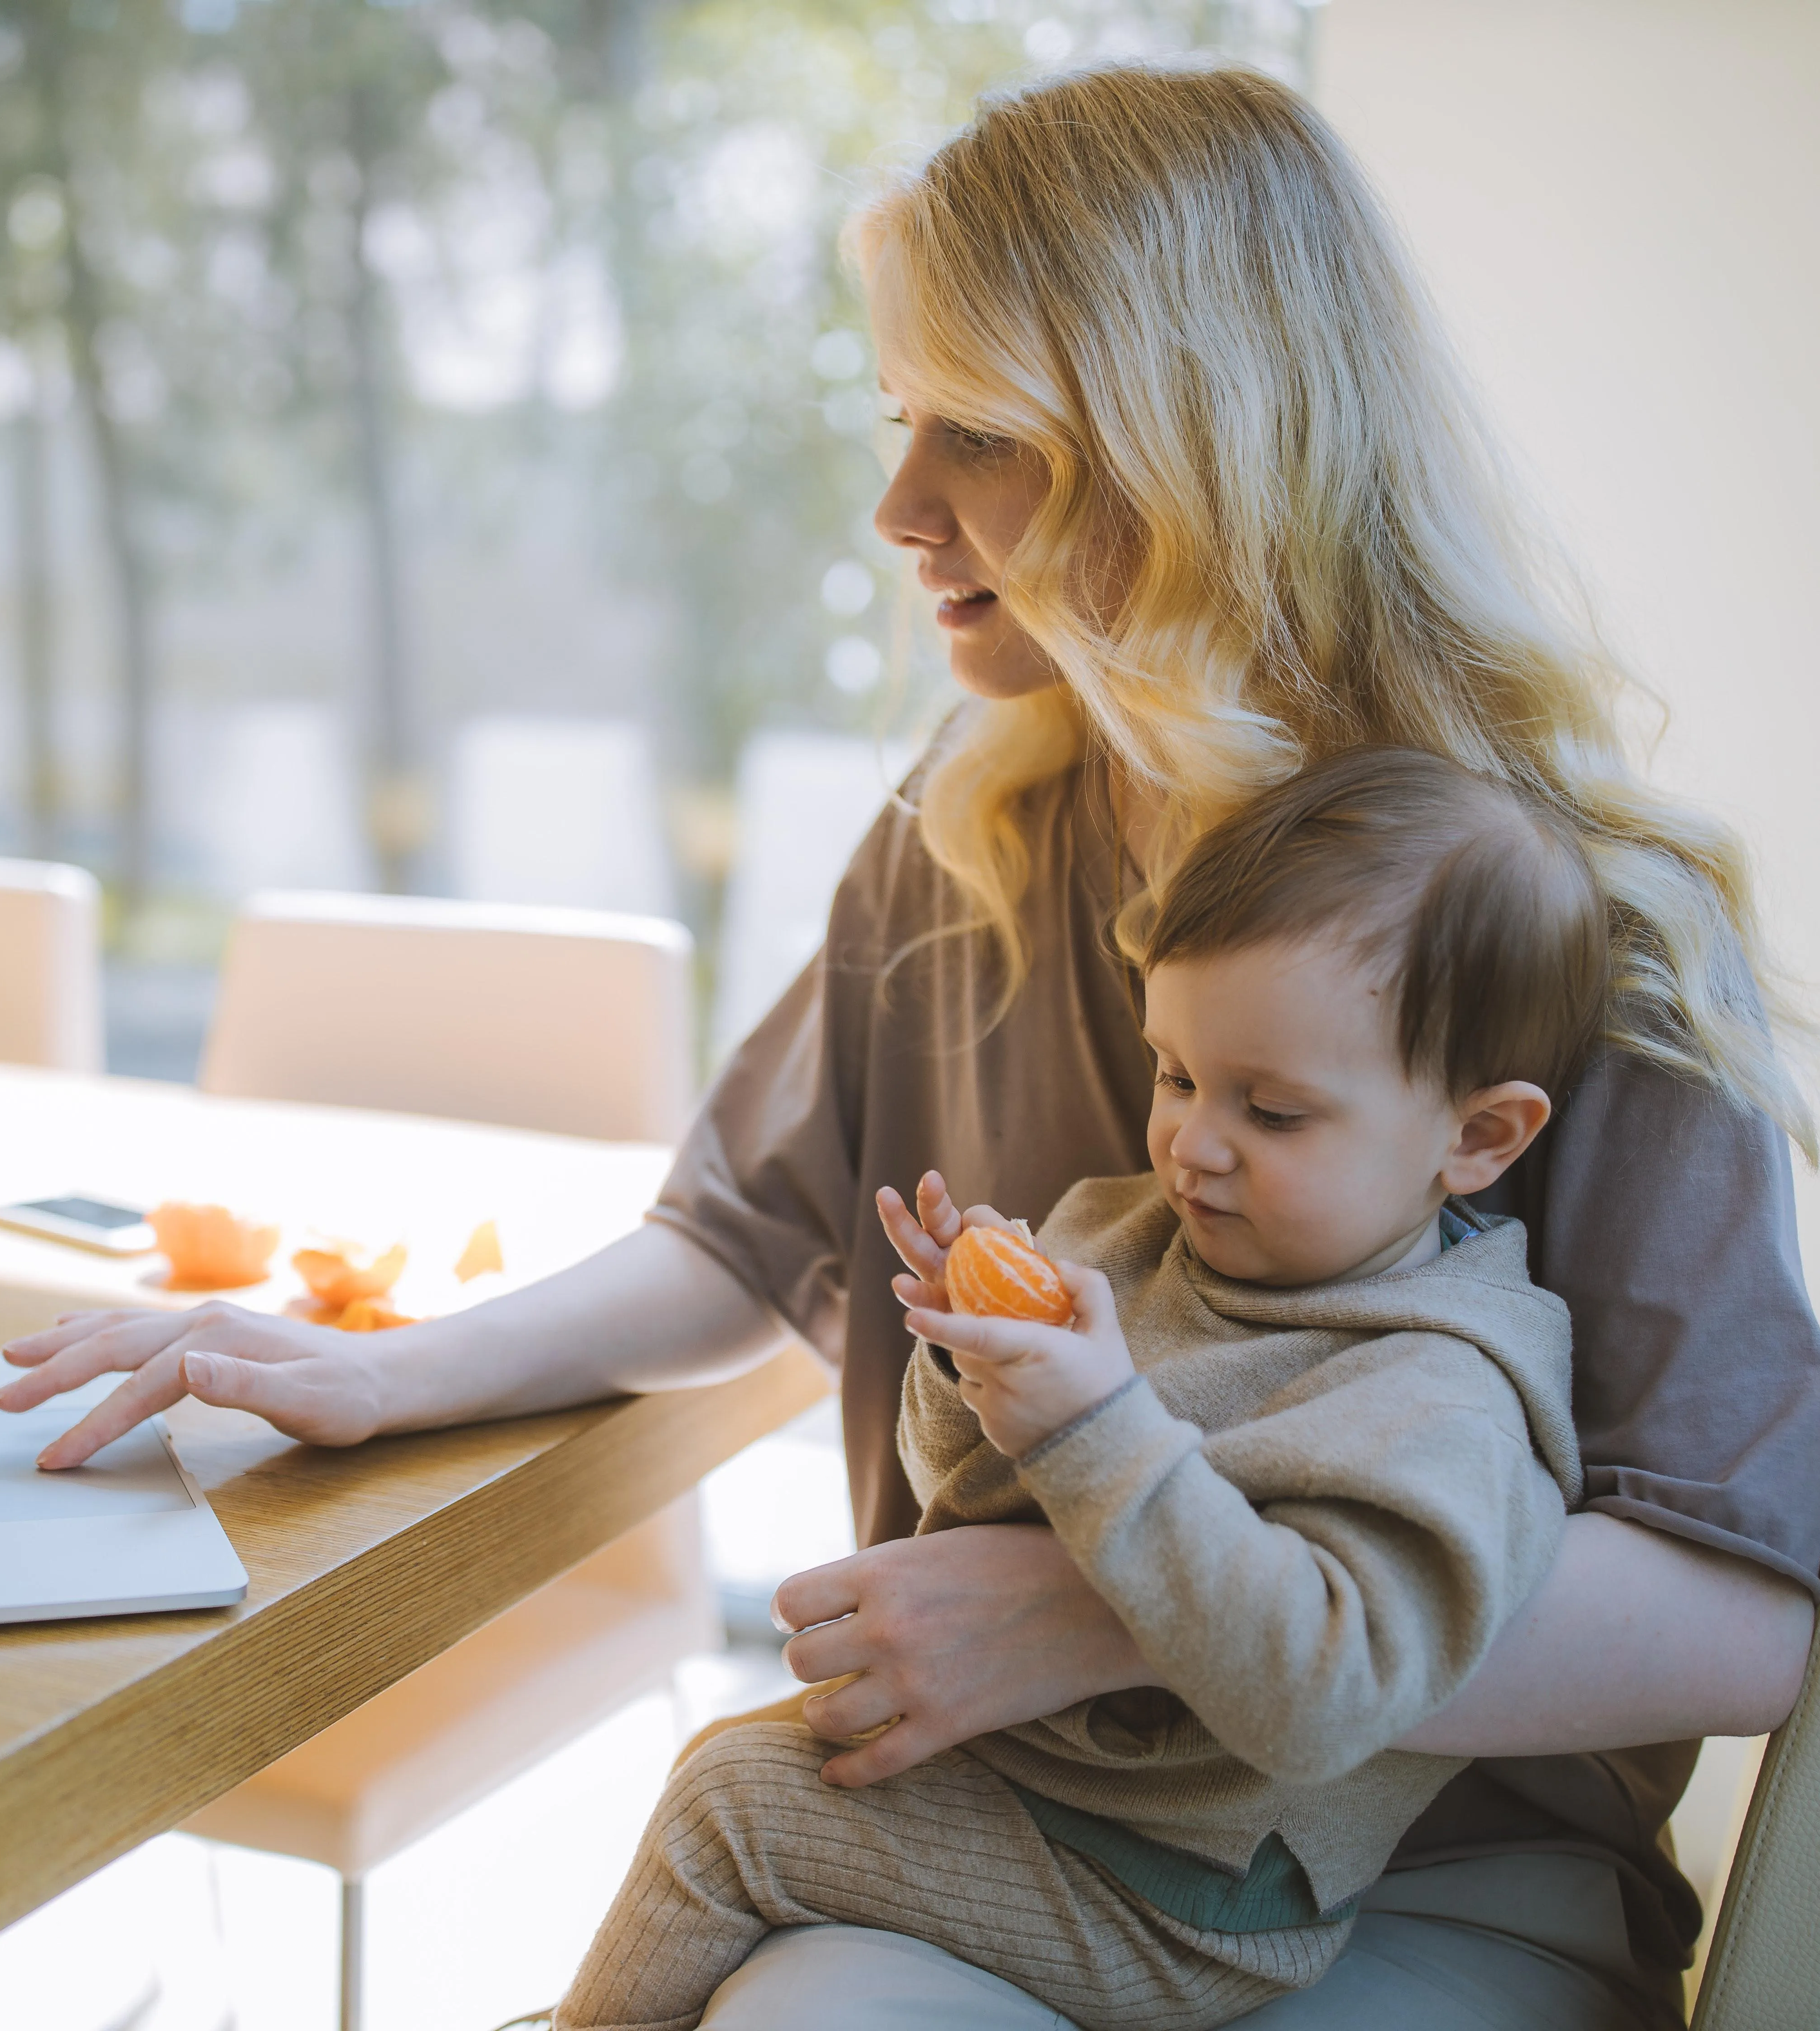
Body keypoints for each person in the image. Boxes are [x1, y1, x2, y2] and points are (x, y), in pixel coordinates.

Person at [0, 60, 1820, 2028]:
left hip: (1427, 1874)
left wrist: (1103, 1610)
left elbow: (1734, 1615)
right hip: (1031, 1808)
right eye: (899, 422)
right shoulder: (976, 822)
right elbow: (744, 1237)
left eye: (984, 435)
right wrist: (394, 1370)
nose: (897, 508)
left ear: (1194, 446)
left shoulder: (1575, 929)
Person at [556, 747, 1606, 2031]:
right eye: (1175, 1074)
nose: (1190, 1145)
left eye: (1272, 1112)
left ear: (1480, 1137)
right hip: (1042, 1787)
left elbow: (1326, 1695)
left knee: (732, 1814)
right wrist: (973, 1359)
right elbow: (971, 1497)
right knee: (740, 1768)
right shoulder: (1134, 1234)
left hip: (1182, 1894)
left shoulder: (1444, 1386)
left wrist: (1101, 1428)